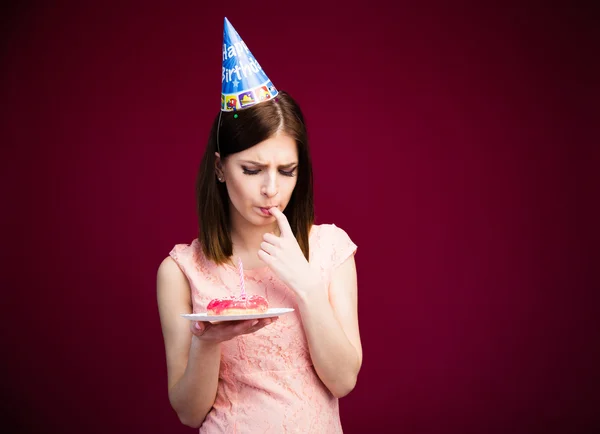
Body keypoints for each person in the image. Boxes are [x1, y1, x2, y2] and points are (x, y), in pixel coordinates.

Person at [156, 18, 362, 433]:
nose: (272, 189)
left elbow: (342, 380)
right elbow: (189, 412)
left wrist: (305, 283)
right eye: (252, 170)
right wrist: (207, 340)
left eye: (287, 171)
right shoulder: (182, 271)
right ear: (220, 168)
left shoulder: (329, 250)